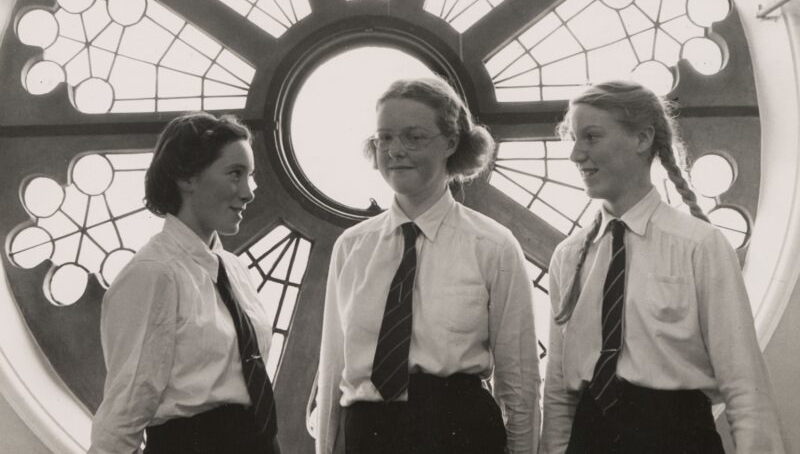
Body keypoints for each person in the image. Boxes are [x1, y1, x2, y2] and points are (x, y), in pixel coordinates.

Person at [541, 81, 784, 453]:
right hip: (591, 439)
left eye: (591, 137)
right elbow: (559, 394)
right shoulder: (569, 256)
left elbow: (744, 387)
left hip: (678, 437)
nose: (576, 154)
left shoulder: (699, 246)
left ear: (642, 138)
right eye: (573, 139)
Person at [316, 77, 540, 454]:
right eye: (384, 138)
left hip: (459, 430)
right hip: (368, 433)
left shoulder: (493, 246)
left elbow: (518, 380)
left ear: (451, 143)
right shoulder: (351, 247)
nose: (395, 150)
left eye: (413, 137)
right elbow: (332, 367)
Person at [90, 112, 281, 454]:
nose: (249, 192)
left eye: (250, 176)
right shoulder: (153, 273)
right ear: (186, 177)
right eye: (235, 174)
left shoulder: (234, 270)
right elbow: (127, 404)